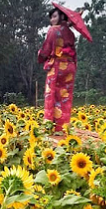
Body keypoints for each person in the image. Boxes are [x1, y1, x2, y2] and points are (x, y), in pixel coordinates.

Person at [37, 7, 77, 135]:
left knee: (51, 95)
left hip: (57, 66)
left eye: (55, 16)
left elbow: (46, 49)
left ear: (61, 17)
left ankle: (49, 126)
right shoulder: (70, 32)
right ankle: (62, 127)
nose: (52, 19)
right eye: (51, 17)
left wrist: (41, 56)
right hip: (69, 66)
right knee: (65, 96)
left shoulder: (53, 30)